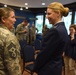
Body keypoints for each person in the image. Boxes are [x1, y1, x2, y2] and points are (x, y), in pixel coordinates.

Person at [33, 2, 69, 75]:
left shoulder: (55, 30)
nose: (46, 16)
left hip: (48, 69)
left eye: (49, 14)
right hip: (56, 67)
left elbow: (44, 54)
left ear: (58, 13)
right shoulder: (63, 28)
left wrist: (35, 69)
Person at [0, 7, 21, 75]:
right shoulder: (9, 37)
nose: (15, 20)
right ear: (3, 19)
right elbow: (13, 67)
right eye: (13, 17)